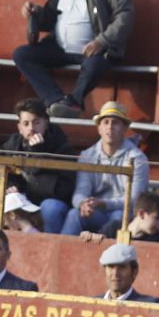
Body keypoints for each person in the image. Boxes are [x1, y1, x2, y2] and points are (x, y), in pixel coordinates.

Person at [14, 0, 133, 119]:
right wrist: (35, 13)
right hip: (59, 48)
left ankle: (74, 102)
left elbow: (125, 16)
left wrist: (102, 41)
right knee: (22, 55)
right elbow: (49, 20)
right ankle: (56, 100)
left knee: (94, 65)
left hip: (96, 50)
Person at [0, 97, 75, 232]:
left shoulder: (61, 145)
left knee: (51, 207)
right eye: (26, 124)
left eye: (36, 122)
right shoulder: (13, 144)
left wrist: (38, 154)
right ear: (19, 127)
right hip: (18, 199)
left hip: (47, 200)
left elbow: (62, 190)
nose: (31, 128)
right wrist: (8, 186)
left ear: (46, 123)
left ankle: (49, 249)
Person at [61, 99, 147, 237]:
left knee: (119, 217)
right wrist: (83, 203)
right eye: (105, 122)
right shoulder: (87, 155)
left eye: (116, 122)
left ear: (125, 128)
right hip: (96, 211)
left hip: (124, 214)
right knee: (75, 213)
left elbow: (134, 200)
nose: (110, 127)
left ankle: (115, 257)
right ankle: (60, 255)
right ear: (99, 128)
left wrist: (104, 203)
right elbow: (80, 192)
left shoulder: (137, 158)